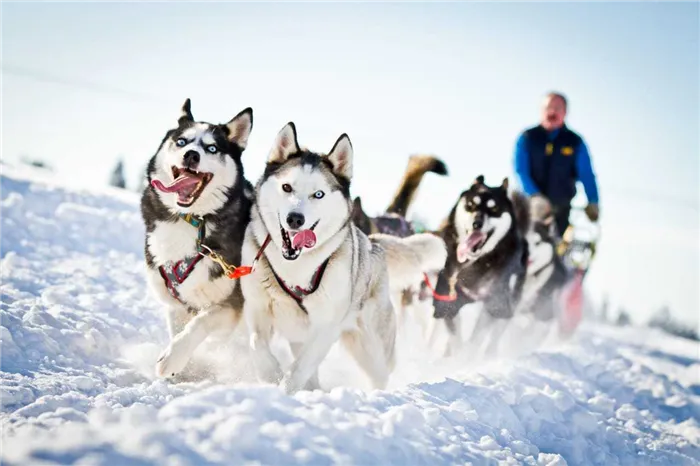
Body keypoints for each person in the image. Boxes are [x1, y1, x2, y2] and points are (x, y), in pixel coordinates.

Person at [514, 92, 600, 237]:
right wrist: (534, 196)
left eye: (557, 108)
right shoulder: (527, 138)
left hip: (560, 211)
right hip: (528, 210)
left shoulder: (575, 142)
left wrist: (593, 201)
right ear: (541, 110)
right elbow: (520, 171)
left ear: (565, 112)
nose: (552, 111)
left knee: (555, 249)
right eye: (548, 107)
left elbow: (586, 175)